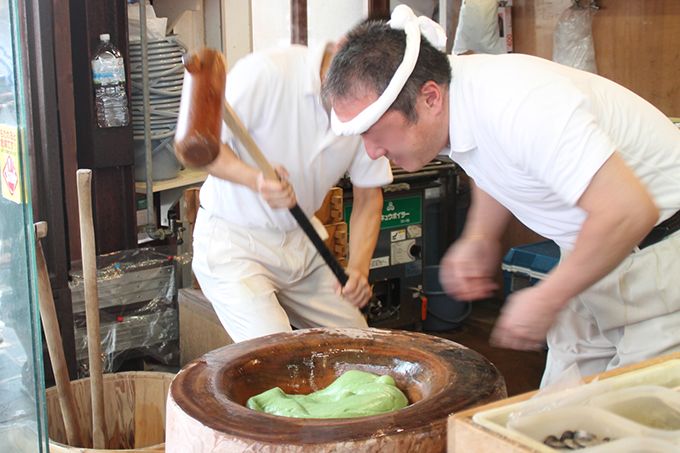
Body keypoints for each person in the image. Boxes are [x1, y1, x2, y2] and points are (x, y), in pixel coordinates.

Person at [322, 5, 680, 386]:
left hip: (659, 257)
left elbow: (628, 210)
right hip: (594, 250)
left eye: (377, 132)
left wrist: (548, 296)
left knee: (633, 423)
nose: (372, 152)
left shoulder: (522, 105)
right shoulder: (455, 100)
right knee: (558, 415)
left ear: (429, 98)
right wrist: (480, 235)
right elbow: (491, 158)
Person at [190, 41, 393, 343]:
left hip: (301, 242)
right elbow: (204, 149)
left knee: (359, 345)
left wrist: (359, 269)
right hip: (235, 244)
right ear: (337, 56)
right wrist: (256, 179)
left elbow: (368, 198)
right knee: (276, 355)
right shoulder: (267, 72)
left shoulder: (369, 103)